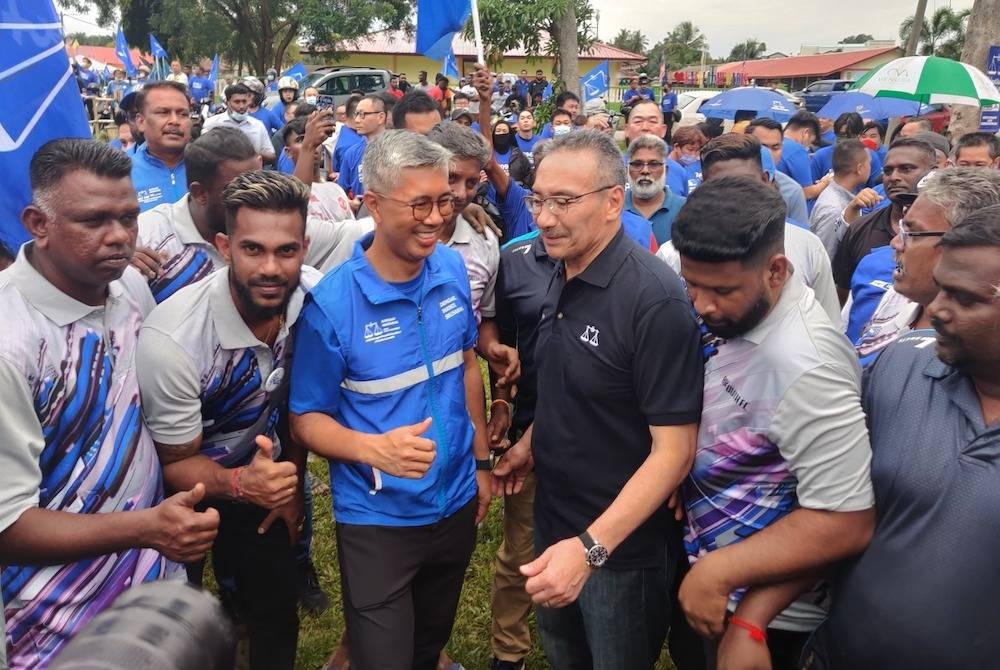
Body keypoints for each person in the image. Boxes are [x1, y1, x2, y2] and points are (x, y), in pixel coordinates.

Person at [0, 138, 219, 669]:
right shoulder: (11, 342)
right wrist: (148, 527)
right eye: (94, 220)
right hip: (47, 625)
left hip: (146, 599)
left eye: (129, 217)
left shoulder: (129, 292)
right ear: (37, 222)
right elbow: (8, 527)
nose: (120, 237)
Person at [492, 130, 705, 669]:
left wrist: (591, 547)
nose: (542, 218)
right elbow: (577, 390)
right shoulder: (561, 271)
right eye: (538, 199)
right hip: (554, 519)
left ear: (614, 201)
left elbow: (674, 452)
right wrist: (530, 446)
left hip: (620, 552)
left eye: (563, 202)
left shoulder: (653, 302)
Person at [289, 130, 493, 670]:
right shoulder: (332, 306)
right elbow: (305, 418)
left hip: (454, 502)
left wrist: (482, 463)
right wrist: (372, 449)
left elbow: (467, 366)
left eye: (444, 201)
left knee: (427, 647)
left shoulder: (449, 271)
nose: (435, 218)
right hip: (378, 518)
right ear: (373, 205)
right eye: (419, 204)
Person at [670, 176, 875, 670]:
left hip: (770, 618)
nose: (701, 305)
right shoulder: (744, 313)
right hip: (712, 577)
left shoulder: (809, 367)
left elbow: (846, 520)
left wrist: (720, 574)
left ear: (776, 270)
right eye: (691, 284)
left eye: (720, 290)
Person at [804, 205, 1000, 668]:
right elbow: (834, 509)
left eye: (965, 298)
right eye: (939, 288)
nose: (936, 310)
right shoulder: (901, 364)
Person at [137, 170, 314, 670]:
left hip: (266, 469)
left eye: (286, 251)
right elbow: (175, 463)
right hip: (185, 487)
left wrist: (290, 483)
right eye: (252, 249)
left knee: (276, 611)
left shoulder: (312, 300)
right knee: (180, 621)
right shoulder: (173, 340)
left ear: (304, 245)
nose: (271, 268)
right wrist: (242, 484)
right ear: (224, 246)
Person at [657, 133, 842, 327]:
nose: (735, 196)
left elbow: (830, 324)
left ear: (764, 181)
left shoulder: (807, 246)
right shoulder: (673, 254)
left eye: (745, 183)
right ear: (704, 187)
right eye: (721, 185)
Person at [855, 168, 1000, 365]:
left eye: (912, 233)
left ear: (965, 243)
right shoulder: (898, 296)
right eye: (902, 228)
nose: (895, 243)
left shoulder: (977, 353)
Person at [833, 137, 937, 301]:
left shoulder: (946, 233)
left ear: (933, 172)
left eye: (906, 169)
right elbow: (844, 293)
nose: (893, 177)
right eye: (887, 171)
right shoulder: (860, 229)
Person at [131, 81, 192, 212]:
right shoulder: (122, 174)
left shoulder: (211, 166)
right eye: (163, 112)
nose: (175, 121)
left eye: (183, 114)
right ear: (141, 122)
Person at [809, 139, 873, 258]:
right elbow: (826, 257)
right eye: (869, 163)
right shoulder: (834, 209)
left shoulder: (842, 198)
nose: (870, 167)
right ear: (859, 168)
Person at [746, 118, 810, 227]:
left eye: (775, 147)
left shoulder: (793, 191)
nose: (769, 153)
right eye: (762, 147)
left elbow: (802, 236)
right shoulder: (727, 180)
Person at [625, 133, 687, 244]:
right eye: (637, 164)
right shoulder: (613, 208)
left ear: (666, 170)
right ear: (627, 170)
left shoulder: (686, 209)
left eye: (653, 164)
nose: (645, 171)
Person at [202, 82, 275, 163]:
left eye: (244, 102)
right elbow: (202, 153)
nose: (241, 106)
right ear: (227, 103)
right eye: (237, 102)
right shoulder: (212, 124)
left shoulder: (258, 125)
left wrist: (250, 152)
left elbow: (271, 155)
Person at [337, 94, 388, 201]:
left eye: (362, 115)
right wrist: (351, 204)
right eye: (356, 115)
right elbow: (340, 194)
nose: (356, 120)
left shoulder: (398, 149)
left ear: (381, 117)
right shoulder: (352, 153)